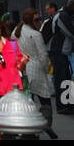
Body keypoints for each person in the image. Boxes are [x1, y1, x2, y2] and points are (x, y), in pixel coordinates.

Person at [14, 8, 58, 139]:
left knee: (27, 102)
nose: (39, 22)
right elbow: (43, 55)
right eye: (37, 19)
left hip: (22, 68)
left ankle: (28, 130)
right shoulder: (36, 34)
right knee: (45, 101)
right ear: (30, 20)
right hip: (36, 67)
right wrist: (46, 69)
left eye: (39, 19)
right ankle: (44, 123)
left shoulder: (17, 32)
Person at [48, 0, 74, 115]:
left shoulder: (62, 15)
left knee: (65, 79)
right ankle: (63, 106)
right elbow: (70, 32)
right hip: (59, 51)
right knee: (62, 79)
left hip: (60, 51)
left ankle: (68, 104)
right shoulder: (62, 16)